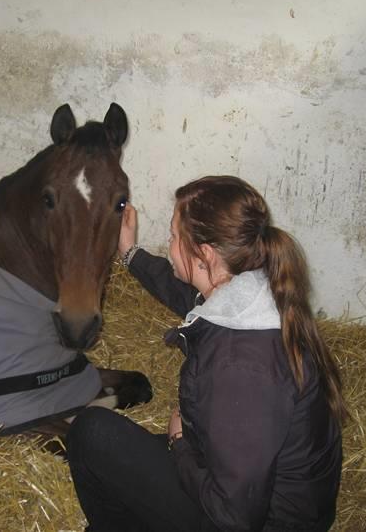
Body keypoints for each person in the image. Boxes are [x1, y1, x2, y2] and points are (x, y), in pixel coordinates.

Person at [66, 175, 347, 531]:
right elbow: (185, 295)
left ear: (205, 255)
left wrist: (180, 443)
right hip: (251, 487)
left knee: (92, 434)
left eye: (172, 237)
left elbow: (235, 516)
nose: (169, 246)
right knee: (119, 457)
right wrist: (129, 253)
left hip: (253, 520)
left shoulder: (241, 364)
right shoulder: (250, 292)